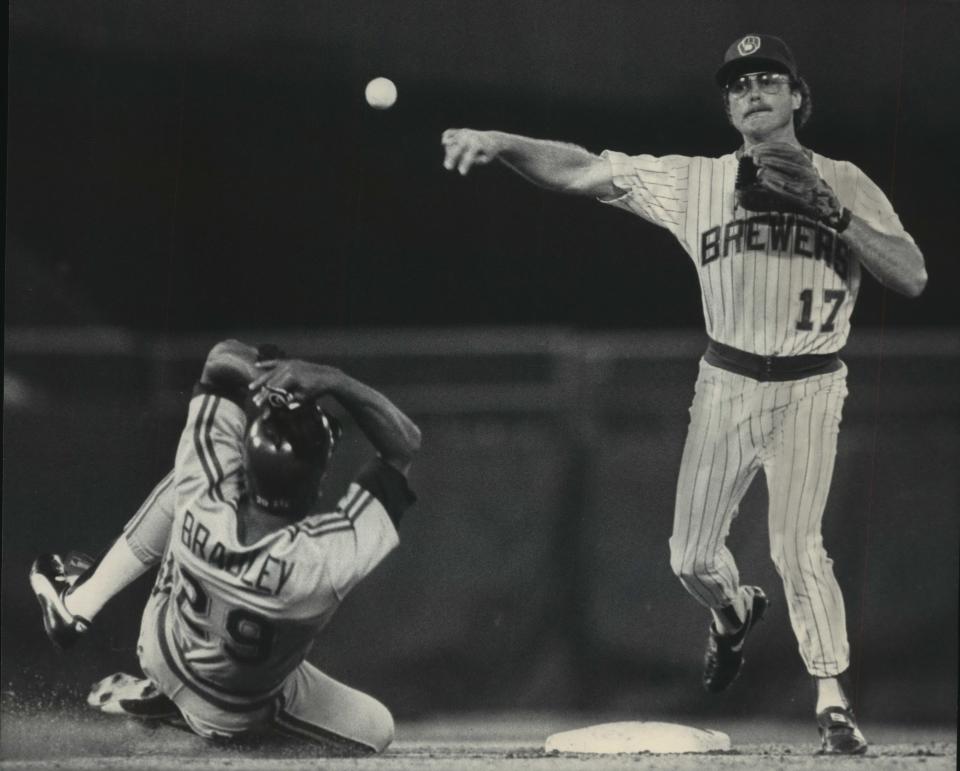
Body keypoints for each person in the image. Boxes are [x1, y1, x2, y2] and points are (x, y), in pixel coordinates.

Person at [440, 33, 926, 755]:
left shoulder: (844, 179)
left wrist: (835, 213)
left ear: (797, 96)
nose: (753, 91)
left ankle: (832, 703)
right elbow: (581, 170)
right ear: (730, 108)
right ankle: (732, 612)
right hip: (726, 382)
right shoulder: (695, 182)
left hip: (811, 384)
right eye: (738, 85)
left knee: (798, 544)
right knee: (690, 558)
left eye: (768, 79)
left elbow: (912, 275)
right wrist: (500, 139)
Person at [30, 339, 421, 752]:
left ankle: (81, 602)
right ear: (318, 483)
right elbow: (403, 445)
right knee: (378, 728)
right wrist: (333, 379)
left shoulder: (207, 495)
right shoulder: (321, 561)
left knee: (189, 477)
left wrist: (273, 385)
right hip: (241, 707)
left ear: (247, 459)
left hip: (163, 650)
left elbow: (220, 361)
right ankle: (215, 724)